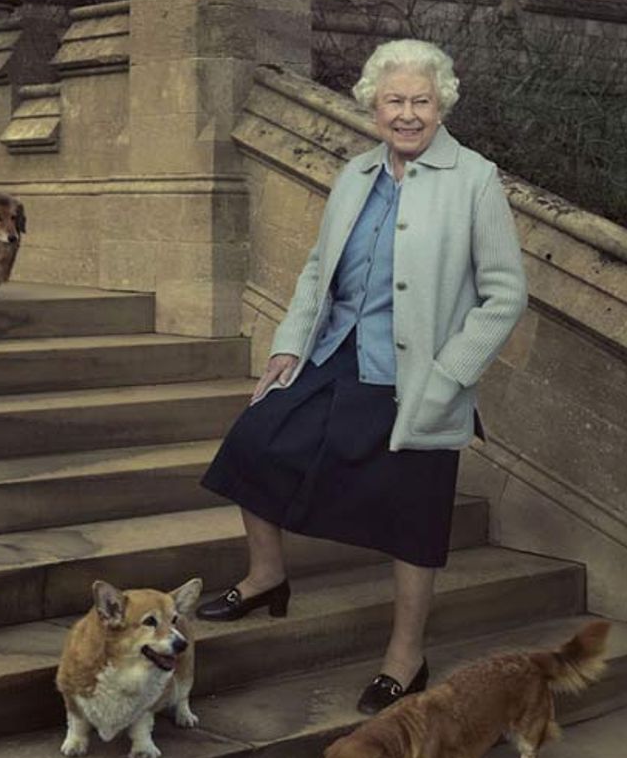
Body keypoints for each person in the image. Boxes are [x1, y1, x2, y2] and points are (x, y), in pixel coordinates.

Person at [198, 38, 528, 715]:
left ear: (442, 106)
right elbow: (320, 269)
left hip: (418, 376)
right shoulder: (355, 175)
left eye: (421, 102)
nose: (407, 114)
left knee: (413, 515)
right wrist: (289, 346)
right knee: (253, 443)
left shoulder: (474, 179)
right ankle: (266, 577)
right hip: (337, 352)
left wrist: (451, 376)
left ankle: (406, 658)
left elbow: (505, 293)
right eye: (394, 101)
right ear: (373, 106)